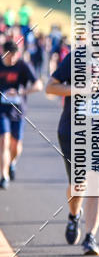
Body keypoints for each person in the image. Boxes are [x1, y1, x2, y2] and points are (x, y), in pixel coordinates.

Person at [46, 16, 99, 255]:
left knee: (97, 182)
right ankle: (74, 215)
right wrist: (77, 89)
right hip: (75, 129)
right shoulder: (76, 58)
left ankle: (90, 237)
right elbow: (50, 86)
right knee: (78, 185)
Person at [0, 40, 42, 186]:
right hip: (2, 110)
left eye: (13, 56)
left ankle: (12, 163)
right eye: (8, 56)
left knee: (15, 144)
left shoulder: (23, 65)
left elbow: (38, 85)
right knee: (4, 141)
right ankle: (4, 176)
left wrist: (22, 91)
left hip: (18, 110)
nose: (11, 59)